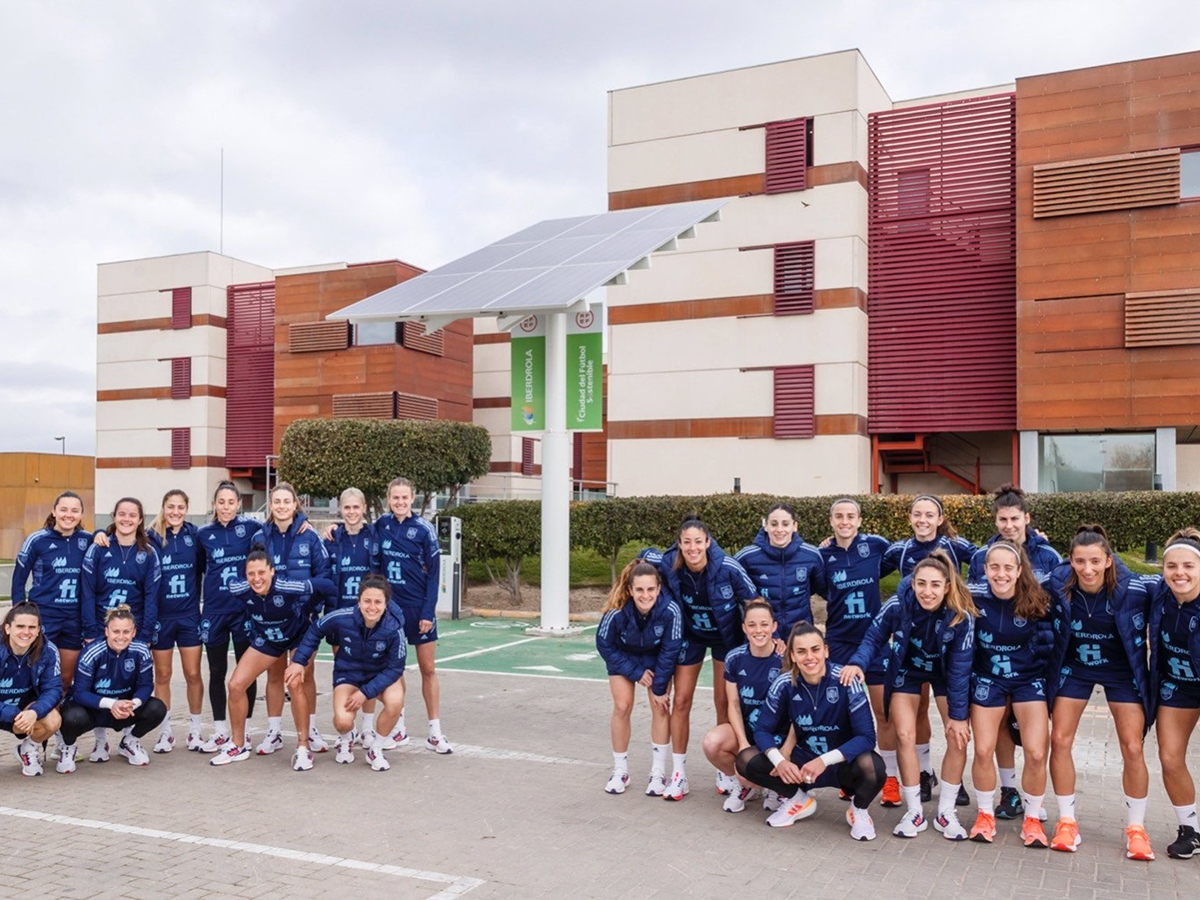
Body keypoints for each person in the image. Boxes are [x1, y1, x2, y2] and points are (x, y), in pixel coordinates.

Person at [840, 551, 976, 839]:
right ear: (913, 583)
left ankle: (946, 812)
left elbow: (961, 669)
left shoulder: (960, 613)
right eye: (922, 584)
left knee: (958, 734)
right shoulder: (898, 605)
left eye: (935, 585)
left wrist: (960, 716)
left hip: (945, 673)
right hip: (908, 670)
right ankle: (914, 811)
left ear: (947, 586)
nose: (928, 592)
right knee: (904, 735)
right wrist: (857, 663)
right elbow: (873, 637)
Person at [1046, 525, 1154, 860]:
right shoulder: (1057, 584)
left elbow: (1178, 595)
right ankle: (1067, 821)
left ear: (1109, 560)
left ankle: (1136, 829)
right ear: (1071, 561)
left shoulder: (1136, 589)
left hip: (1121, 671)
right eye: (1080, 561)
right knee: (1060, 740)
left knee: (1132, 746)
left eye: (1095, 561)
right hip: (1076, 667)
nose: (1088, 569)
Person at [641, 517, 758, 800]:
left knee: (722, 702)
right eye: (686, 542)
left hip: (724, 639)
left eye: (698, 541)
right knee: (681, 701)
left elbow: (754, 601)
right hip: (691, 637)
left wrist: (759, 635)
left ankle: (723, 768)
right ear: (679, 544)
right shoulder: (670, 562)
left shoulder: (727, 567)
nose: (692, 548)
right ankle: (679, 772)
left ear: (708, 542)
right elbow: (644, 555)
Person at [967, 484, 1063, 822]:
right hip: (991, 665)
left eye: (1014, 518)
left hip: (1034, 660)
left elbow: (1058, 606)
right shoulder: (982, 557)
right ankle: (1008, 792)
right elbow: (974, 608)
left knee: (1034, 739)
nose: (1008, 524)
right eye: (1002, 519)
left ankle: (1034, 800)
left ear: (1027, 518)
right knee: (1000, 729)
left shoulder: (1048, 556)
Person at [736, 622, 885, 839]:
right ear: (793, 656)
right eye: (801, 651)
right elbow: (762, 730)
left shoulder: (845, 680)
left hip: (839, 763)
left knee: (873, 767)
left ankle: (859, 810)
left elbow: (867, 737)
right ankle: (797, 799)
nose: (810, 657)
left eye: (815, 649)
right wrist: (781, 761)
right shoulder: (784, 683)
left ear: (825, 650)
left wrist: (824, 761)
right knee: (745, 759)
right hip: (803, 763)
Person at [882, 494, 978, 804]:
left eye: (929, 515)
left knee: (950, 713)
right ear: (910, 518)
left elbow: (985, 558)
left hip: (946, 641)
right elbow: (866, 564)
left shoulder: (955, 545)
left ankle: (955, 780)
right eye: (917, 514)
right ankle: (924, 773)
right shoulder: (899, 550)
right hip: (912, 643)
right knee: (917, 710)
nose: (922, 520)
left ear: (940, 519)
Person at [819, 498, 912, 809]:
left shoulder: (875, 547)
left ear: (859, 520)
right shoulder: (822, 556)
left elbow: (909, 552)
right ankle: (847, 775)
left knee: (882, 712)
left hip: (874, 640)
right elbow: (821, 590)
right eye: (839, 517)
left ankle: (889, 779)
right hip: (839, 643)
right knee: (841, 712)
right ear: (831, 522)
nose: (845, 521)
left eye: (850, 516)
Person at [286, 574, 406, 771]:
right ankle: (347, 736)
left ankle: (376, 748)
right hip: (348, 674)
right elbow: (316, 629)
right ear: (359, 602)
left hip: (379, 674)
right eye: (367, 601)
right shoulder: (342, 617)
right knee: (342, 721)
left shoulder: (394, 628)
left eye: (378, 602)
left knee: (395, 701)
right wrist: (299, 661)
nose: (372, 607)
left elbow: (395, 668)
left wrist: (365, 693)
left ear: (386, 604)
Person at [210, 551, 315, 770]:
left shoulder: (288, 586)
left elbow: (325, 586)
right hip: (270, 639)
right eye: (251, 573)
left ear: (272, 572)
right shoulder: (239, 587)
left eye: (261, 573)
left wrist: (313, 611)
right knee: (236, 684)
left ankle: (304, 747)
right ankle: (238, 744)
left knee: (294, 682)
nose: (256, 578)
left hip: (298, 636)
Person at [80, 497, 161, 762]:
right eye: (122, 514)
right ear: (113, 516)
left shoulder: (148, 553)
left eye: (132, 515)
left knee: (128, 681)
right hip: (103, 631)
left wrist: (145, 635)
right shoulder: (99, 548)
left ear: (140, 520)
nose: (126, 519)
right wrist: (91, 630)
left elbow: (152, 596)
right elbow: (88, 591)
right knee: (98, 682)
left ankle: (129, 739)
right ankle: (100, 741)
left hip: (131, 632)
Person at [258, 482, 334, 755]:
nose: (281, 506)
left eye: (286, 502)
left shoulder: (309, 536)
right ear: (271, 505)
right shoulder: (260, 536)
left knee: (303, 676)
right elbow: (252, 574)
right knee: (275, 674)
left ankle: (309, 729)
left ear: (294, 505)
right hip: (273, 620)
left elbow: (325, 577)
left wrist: (314, 609)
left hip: (303, 620)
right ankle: (274, 731)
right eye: (276, 501)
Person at [375, 477, 449, 753]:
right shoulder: (381, 525)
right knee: (395, 669)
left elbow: (434, 575)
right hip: (392, 610)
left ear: (413, 498)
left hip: (419, 608)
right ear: (388, 499)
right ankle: (399, 727)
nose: (400, 502)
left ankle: (435, 731)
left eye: (405, 497)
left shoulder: (424, 530)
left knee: (428, 668)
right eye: (395, 497)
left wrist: (428, 611)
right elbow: (355, 529)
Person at [596, 560, 682, 795]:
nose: (646, 595)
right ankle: (620, 770)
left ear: (659, 588)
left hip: (655, 658)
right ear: (630, 590)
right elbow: (603, 644)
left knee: (660, 705)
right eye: (640, 590)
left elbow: (670, 650)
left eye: (651, 589)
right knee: (622, 707)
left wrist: (660, 685)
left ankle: (658, 772)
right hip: (624, 656)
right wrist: (634, 672)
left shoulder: (670, 610)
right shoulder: (616, 610)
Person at [11, 492, 93, 726]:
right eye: (64, 509)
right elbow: (18, 581)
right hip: (45, 617)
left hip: (74, 620)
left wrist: (99, 535)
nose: (69, 514)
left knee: (65, 680)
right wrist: (20, 615)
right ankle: (33, 736)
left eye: (75, 510)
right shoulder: (37, 540)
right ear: (54, 511)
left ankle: (60, 736)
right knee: (38, 679)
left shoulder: (87, 540)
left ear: (81, 514)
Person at [196, 481, 265, 752]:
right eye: (221, 502)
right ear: (215, 504)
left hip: (243, 610)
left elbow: (281, 523)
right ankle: (221, 730)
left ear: (238, 504)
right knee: (216, 671)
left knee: (244, 673)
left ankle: (244, 729)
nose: (226, 507)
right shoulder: (204, 534)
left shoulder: (250, 529)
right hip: (214, 611)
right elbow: (199, 568)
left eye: (231, 502)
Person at [701, 599, 788, 813]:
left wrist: (784, 750)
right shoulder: (734, 658)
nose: (758, 630)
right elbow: (733, 704)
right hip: (749, 729)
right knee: (712, 742)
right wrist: (742, 745)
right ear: (744, 628)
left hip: (778, 735)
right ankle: (745, 785)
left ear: (774, 627)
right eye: (752, 625)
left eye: (764, 624)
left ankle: (778, 787)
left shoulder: (786, 659)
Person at [58, 606, 166, 772]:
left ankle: (129, 742)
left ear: (134, 632)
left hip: (125, 709)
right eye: (116, 631)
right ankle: (68, 747)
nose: (121, 637)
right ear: (107, 631)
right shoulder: (91, 652)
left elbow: (146, 685)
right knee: (71, 717)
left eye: (126, 631)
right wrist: (111, 704)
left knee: (157, 708)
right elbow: (80, 693)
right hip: (95, 710)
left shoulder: (141, 650)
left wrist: (133, 704)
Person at [1147, 529, 1200, 860]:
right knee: (1169, 757)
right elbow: (1113, 572)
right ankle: (1190, 830)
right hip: (1177, 685)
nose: (1180, 573)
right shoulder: (1157, 595)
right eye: (1172, 566)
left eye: (1188, 566)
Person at [146, 489, 206, 753]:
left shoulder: (196, 535)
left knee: (193, 674)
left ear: (187, 508)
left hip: (189, 615)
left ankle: (195, 729)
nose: (175, 512)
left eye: (180, 507)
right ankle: (165, 731)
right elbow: (117, 536)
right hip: (161, 617)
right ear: (163, 507)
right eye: (171, 506)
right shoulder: (150, 537)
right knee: (163, 675)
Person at [323, 487, 382, 746]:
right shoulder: (332, 538)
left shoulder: (374, 535)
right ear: (340, 510)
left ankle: (368, 728)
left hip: (369, 616)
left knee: (369, 673)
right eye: (347, 507)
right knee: (345, 674)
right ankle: (346, 731)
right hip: (341, 616)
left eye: (356, 507)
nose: (351, 512)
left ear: (364, 508)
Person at [735, 502, 826, 639]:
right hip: (764, 636)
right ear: (765, 525)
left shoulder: (811, 555)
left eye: (785, 524)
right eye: (774, 524)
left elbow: (821, 588)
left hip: (799, 634)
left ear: (794, 526)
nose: (779, 529)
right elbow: (733, 584)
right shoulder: (747, 557)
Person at [0, 603, 64, 776]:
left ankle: (28, 749)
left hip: (25, 714)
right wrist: (13, 714)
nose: (26, 632)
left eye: (31, 627)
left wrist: (34, 712)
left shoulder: (48, 650)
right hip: (10, 713)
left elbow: (54, 689)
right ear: (7, 628)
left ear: (38, 630)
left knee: (53, 720)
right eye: (20, 626)